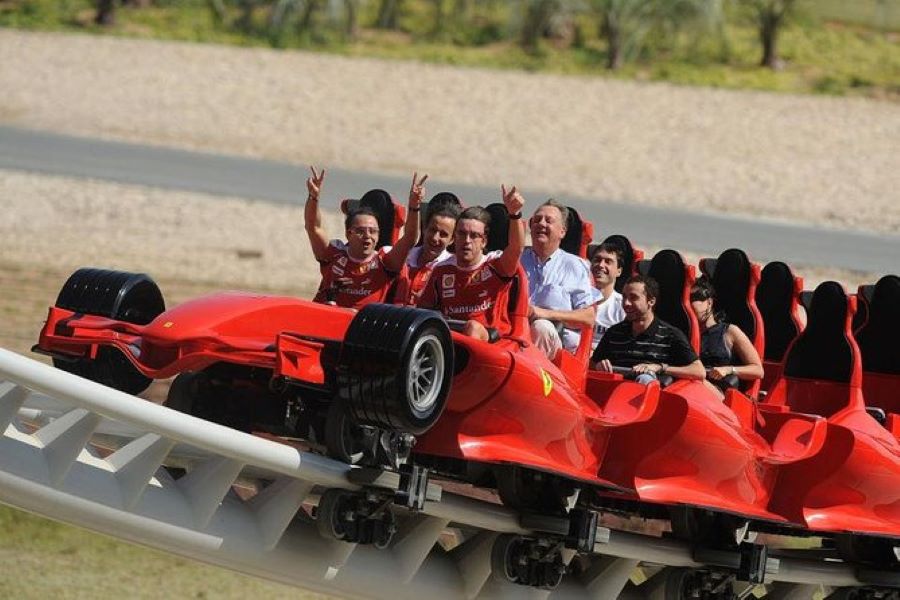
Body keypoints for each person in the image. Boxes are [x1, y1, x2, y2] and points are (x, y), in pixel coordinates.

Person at [304, 166, 425, 309]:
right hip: (331, 322)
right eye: (361, 231)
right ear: (348, 234)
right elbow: (313, 227)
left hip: (367, 327)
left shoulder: (384, 262)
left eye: (373, 231)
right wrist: (314, 197)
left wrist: (414, 205)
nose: (367, 236)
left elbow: (410, 238)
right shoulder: (333, 255)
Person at [418, 185, 526, 341]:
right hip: (451, 334)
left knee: (472, 328)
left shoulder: (496, 265)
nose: (467, 241)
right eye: (462, 234)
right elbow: (423, 310)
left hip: (491, 339)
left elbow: (516, 248)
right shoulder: (441, 269)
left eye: (474, 235)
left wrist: (515, 215)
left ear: (484, 241)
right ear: (454, 237)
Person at [521, 199, 601, 359]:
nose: (541, 224)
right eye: (537, 220)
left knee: (541, 327)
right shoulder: (517, 260)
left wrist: (545, 313)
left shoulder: (575, 266)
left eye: (548, 221)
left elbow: (588, 318)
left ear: (562, 231)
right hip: (516, 334)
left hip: (559, 353)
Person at [590, 275, 706, 385]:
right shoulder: (614, 333)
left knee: (645, 379)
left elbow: (699, 371)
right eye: (624, 297)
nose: (626, 303)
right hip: (612, 394)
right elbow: (591, 364)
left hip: (651, 397)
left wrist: (660, 368)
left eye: (633, 298)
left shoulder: (671, 335)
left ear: (651, 301)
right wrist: (598, 366)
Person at [689, 277, 764, 395]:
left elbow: (758, 370)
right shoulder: (684, 333)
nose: (689, 303)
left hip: (719, 393)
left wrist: (728, 369)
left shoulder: (730, 331)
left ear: (709, 302)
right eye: (686, 299)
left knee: (694, 379)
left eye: (694, 298)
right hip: (691, 387)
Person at [401, 202, 460, 304]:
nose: (435, 238)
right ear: (424, 229)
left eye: (443, 234)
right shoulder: (403, 255)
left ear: (452, 240)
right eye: (432, 230)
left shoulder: (453, 267)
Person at [589, 242, 626, 350]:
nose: (601, 265)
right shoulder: (573, 298)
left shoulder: (624, 307)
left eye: (608, 261)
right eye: (597, 260)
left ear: (619, 271)